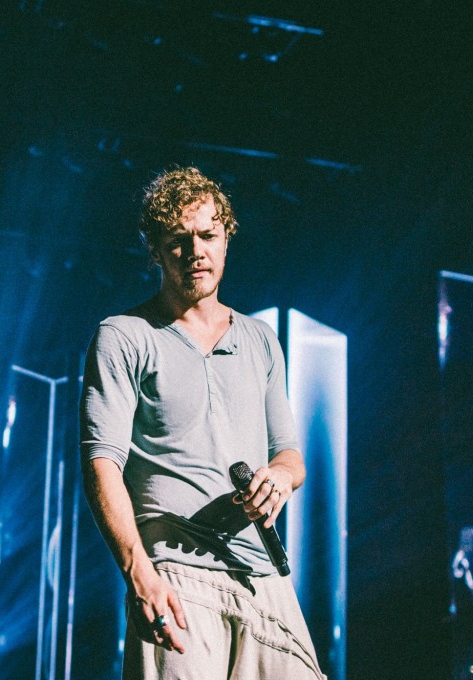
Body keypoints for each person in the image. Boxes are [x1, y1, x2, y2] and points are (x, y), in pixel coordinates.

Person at [79, 166, 325, 679]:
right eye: (179, 240)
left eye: (208, 235)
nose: (196, 251)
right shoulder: (124, 336)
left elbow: (291, 455)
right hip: (176, 577)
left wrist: (279, 477)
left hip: (263, 577)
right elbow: (101, 462)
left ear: (226, 237)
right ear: (156, 249)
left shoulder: (260, 340)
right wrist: (139, 573)